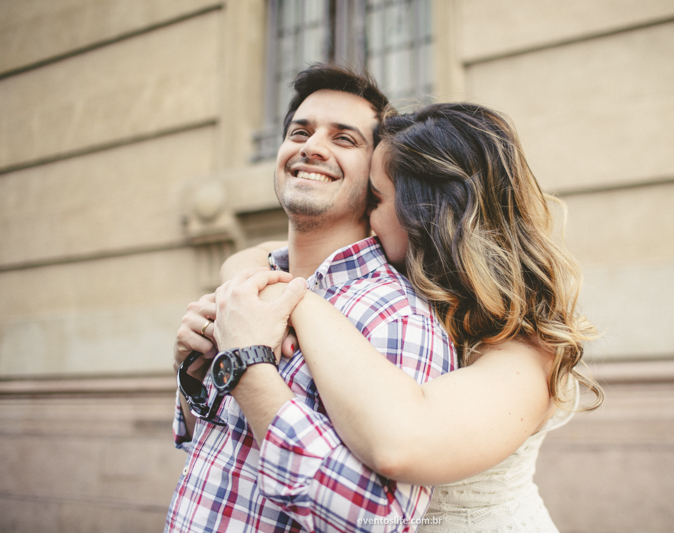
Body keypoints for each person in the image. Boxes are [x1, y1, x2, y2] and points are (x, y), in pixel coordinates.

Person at [214, 103, 603, 532]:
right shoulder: (406, 294)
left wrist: (297, 299)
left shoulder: (526, 352)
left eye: (376, 199)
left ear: (428, 214)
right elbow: (249, 257)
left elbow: (402, 441)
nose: (365, 215)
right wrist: (246, 290)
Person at [166, 65, 457, 532]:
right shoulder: (250, 285)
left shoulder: (397, 315)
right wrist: (195, 376)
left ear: (380, 175)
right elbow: (219, 450)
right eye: (300, 131)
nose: (311, 147)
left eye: (344, 139)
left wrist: (246, 366)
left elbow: (377, 520)